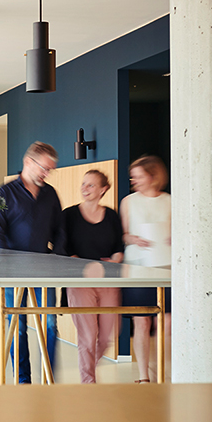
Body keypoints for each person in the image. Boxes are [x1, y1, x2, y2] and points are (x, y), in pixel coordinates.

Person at [0, 141, 66, 383]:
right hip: (13, 274)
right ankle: (23, 380)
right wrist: (5, 269)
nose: (47, 174)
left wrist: (57, 259)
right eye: (44, 168)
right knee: (19, 326)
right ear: (28, 162)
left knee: (50, 325)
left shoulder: (51, 194)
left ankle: (49, 378)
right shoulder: (5, 193)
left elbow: (60, 231)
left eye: (50, 170)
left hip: (43, 273)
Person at [63, 170, 125, 383]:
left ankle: (88, 370)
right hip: (80, 284)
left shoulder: (111, 216)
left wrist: (113, 262)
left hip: (108, 282)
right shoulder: (69, 215)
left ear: (103, 189)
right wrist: (83, 265)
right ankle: (88, 382)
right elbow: (63, 248)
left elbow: (118, 249)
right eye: (83, 184)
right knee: (88, 337)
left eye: (90, 185)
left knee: (108, 336)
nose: (84, 189)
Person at [119, 155, 172, 383]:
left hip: (167, 269)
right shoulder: (128, 201)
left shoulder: (171, 200)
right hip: (137, 268)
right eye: (133, 177)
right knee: (142, 321)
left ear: (152, 176)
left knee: (168, 322)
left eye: (139, 176)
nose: (134, 180)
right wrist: (132, 238)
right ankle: (143, 376)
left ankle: (164, 370)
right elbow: (122, 235)